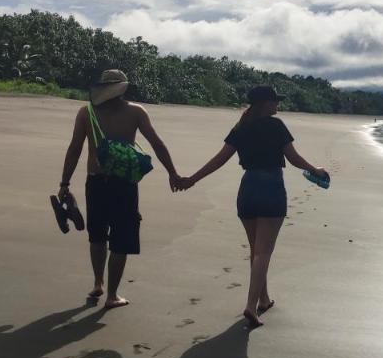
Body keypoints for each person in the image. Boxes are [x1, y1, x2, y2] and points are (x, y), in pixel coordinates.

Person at [181, 86, 329, 329]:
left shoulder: (241, 127)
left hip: (247, 189)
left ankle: (264, 299)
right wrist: (316, 170)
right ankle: (251, 306)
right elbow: (293, 158)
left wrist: (192, 179)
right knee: (263, 252)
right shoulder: (276, 126)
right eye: (275, 101)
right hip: (271, 187)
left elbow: (219, 159)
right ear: (264, 103)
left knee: (256, 250)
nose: (278, 105)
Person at [58, 69, 184, 309]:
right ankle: (112, 296)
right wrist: (173, 173)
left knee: (97, 235)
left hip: (95, 181)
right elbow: (156, 143)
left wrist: (65, 182)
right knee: (121, 239)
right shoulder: (135, 112)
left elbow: (74, 148)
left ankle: (98, 283)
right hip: (124, 184)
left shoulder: (87, 112)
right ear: (121, 88)